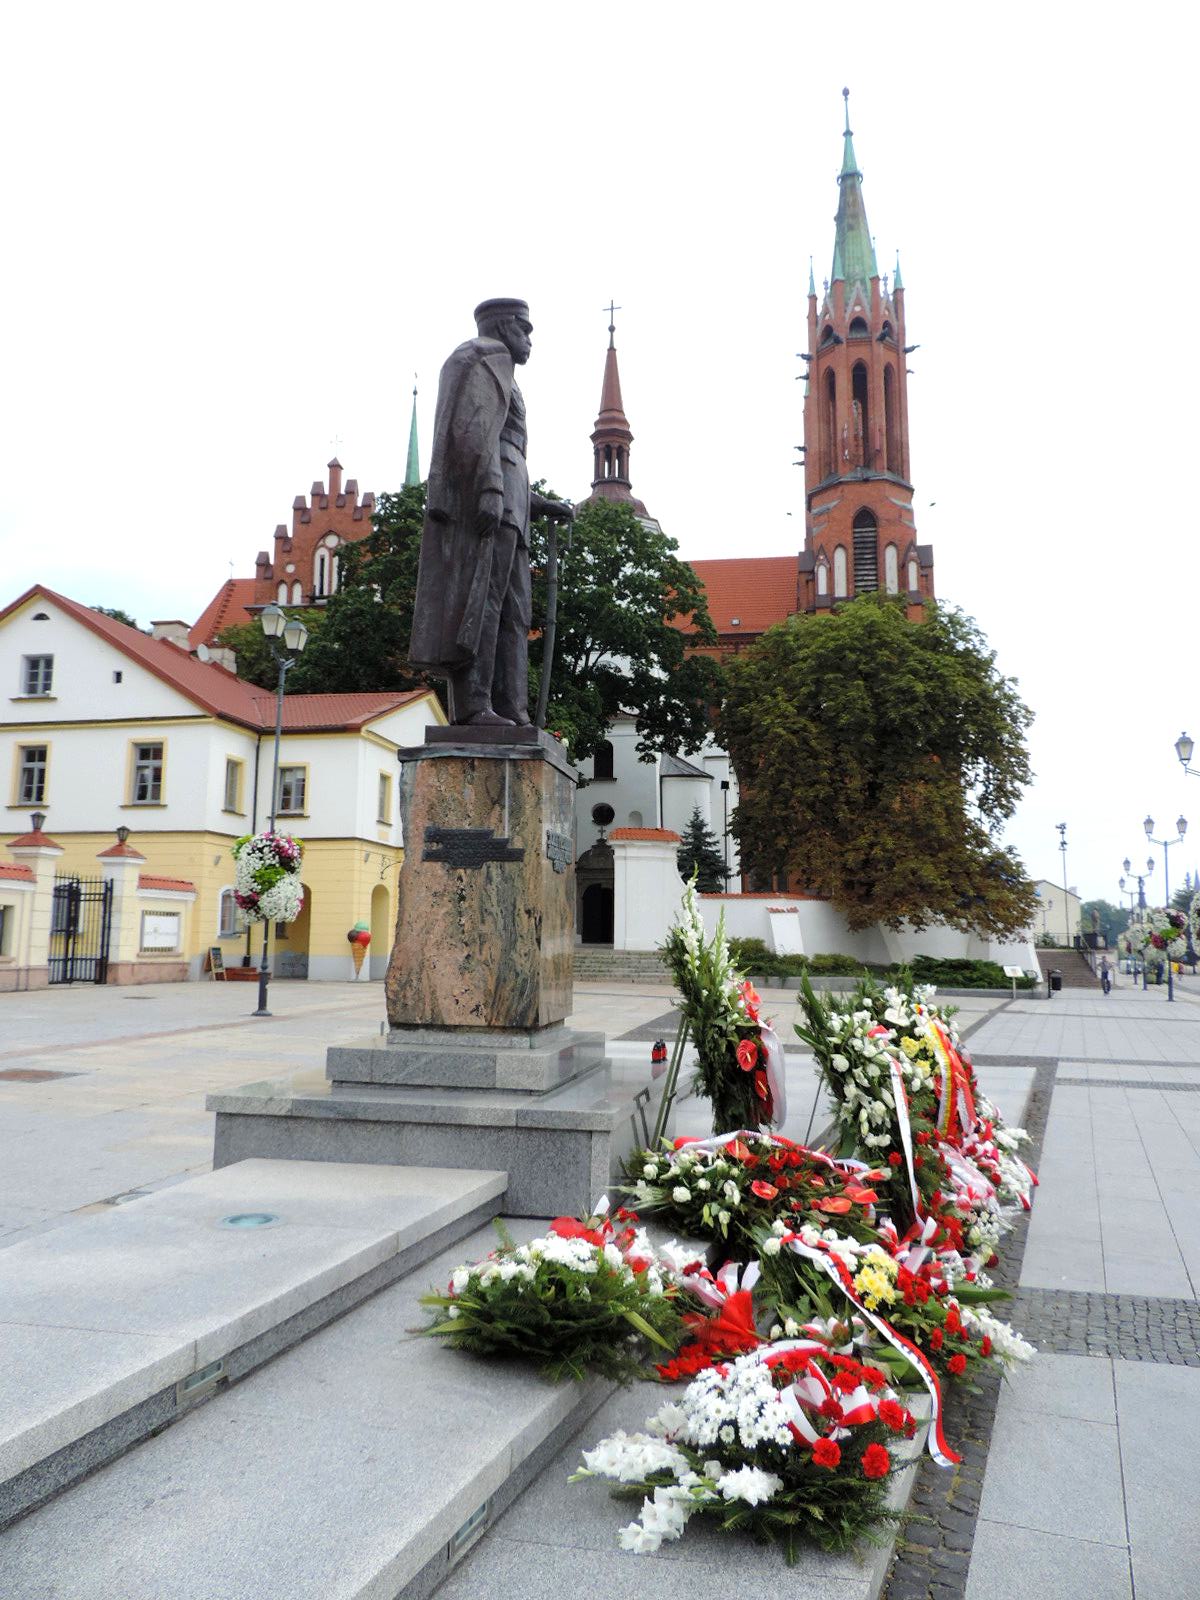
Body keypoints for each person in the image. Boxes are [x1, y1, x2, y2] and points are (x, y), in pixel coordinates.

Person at [408, 298, 574, 726]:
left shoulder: (507, 375)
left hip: (514, 505)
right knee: (482, 601)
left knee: (516, 612)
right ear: (502, 326)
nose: (531, 338)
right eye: (525, 328)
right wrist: (489, 487)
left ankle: (511, 708)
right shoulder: (481, 357)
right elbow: (472, 431)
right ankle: (474, 706)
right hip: (493, 500)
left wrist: (536, 503)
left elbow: (508, 449)